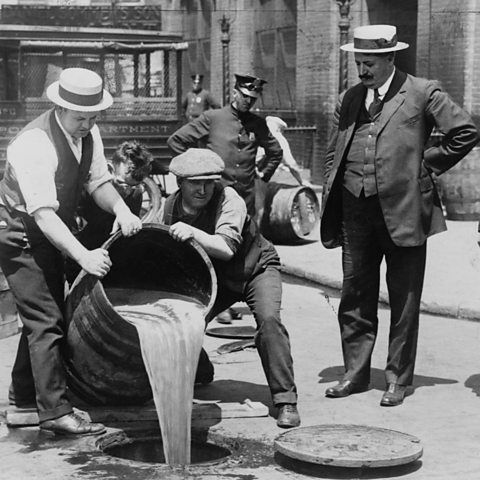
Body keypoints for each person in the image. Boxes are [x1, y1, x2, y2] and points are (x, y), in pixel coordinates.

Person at [321, 25, 479, 407]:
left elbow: (465, 132)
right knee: (355, 294)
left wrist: (425, 166)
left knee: (405, 298)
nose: (363, 70)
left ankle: (398, 378)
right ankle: (355, 374)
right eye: (358, 62)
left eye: (370, 63)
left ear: (391, 57)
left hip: (405, 209)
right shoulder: (351, 97)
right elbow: (335, 150)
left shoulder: (424, 91)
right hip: (355, 209)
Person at [0, 67, 142, 435]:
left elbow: (98, 182)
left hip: (50, 229)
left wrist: (122, 209)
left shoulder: (88, 132)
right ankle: (56, 413)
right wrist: (84, 256)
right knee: (47, 320)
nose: (87, 124)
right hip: (21, 233)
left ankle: (23, 399)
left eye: (93, 117)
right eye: (80, 117)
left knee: (41, 316)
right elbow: (44, 216)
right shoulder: (33, 144)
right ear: (60, 108)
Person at [158, 147, 300, 428]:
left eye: (208, 182)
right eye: (194, 183)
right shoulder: (170, 207)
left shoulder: (229, 198)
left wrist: (194, 232)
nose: (202, 190)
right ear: (179, 183)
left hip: (256, 268)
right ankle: (200, 369)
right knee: (184, 319)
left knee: (269, 322)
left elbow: (225, 247)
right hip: (218, 278)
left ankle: (285, 400)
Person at [168, 73, 283, 218]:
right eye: (244, 96)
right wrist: (194, 171)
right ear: (234, 93)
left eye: (253, 98)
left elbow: (276, 152)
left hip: (245, 197)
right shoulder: (213, 118)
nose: (248, 101)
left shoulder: (258, 124)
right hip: (215, 195)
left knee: (246, 235)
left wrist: (264, 175)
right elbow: (176, 141)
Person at [65, 140, 153, 283]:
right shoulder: (86, 191)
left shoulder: (135, 193)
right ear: (110, 170)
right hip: (80, 254)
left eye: (134, 186)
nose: (126, 191)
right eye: (121, 184)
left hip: (109, 258)